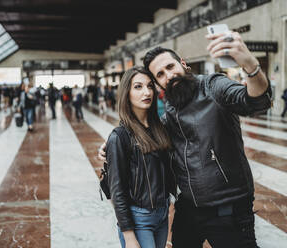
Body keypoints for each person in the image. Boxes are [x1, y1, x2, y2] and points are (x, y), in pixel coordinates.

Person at [100, 31, 271, 247]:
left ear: (183, 63)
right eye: (160, 75)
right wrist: (116, 142)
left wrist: (250, 66)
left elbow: (255, 102)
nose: (168, 76)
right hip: (189, 209)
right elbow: (151, 133)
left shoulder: (213, 86)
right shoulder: (170, 110)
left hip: (228, 210)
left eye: (170, 67)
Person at [106, 66, 175, 248]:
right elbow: (117, 191)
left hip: (162, 214)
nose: (147, 92)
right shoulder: (120, 136)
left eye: (150, 86)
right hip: (139, 218)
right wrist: (129, 236)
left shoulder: (159, 128)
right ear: (126, 92)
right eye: (138, 87)